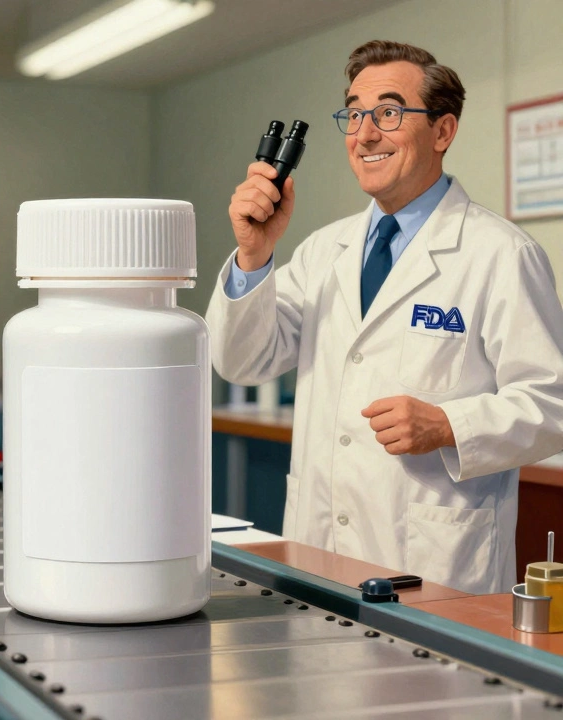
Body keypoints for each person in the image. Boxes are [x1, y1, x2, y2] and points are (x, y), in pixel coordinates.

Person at [206, 40, 563, 595]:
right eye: (354, 115)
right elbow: (240, 361)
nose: (365, 134)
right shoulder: (324, 251)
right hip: (317, 552)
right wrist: (254, 256)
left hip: (435, 567)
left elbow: (550, 404)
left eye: (389, 113)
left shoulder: (501, 254)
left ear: (443, 131)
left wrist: (450, 425)